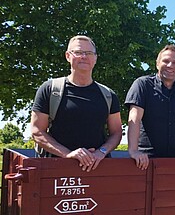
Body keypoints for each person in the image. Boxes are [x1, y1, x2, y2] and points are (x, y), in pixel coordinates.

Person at [30, 35, 122, 172]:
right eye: (78, 52)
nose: (84, 56)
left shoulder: (108, 95)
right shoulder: (50, 89)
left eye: (89, 53)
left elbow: (116, 133)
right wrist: (68, 154)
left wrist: (101, 152)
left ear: (95, 58)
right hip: (56, 171)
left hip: (98, 170)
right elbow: (37, 131)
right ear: (68, 56)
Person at [124, 44, 175, 171]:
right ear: (157, 64)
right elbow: (134, 117)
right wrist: (133, 151)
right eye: (166, 61)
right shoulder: (142, 85)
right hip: (144, 161)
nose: (170, 65)